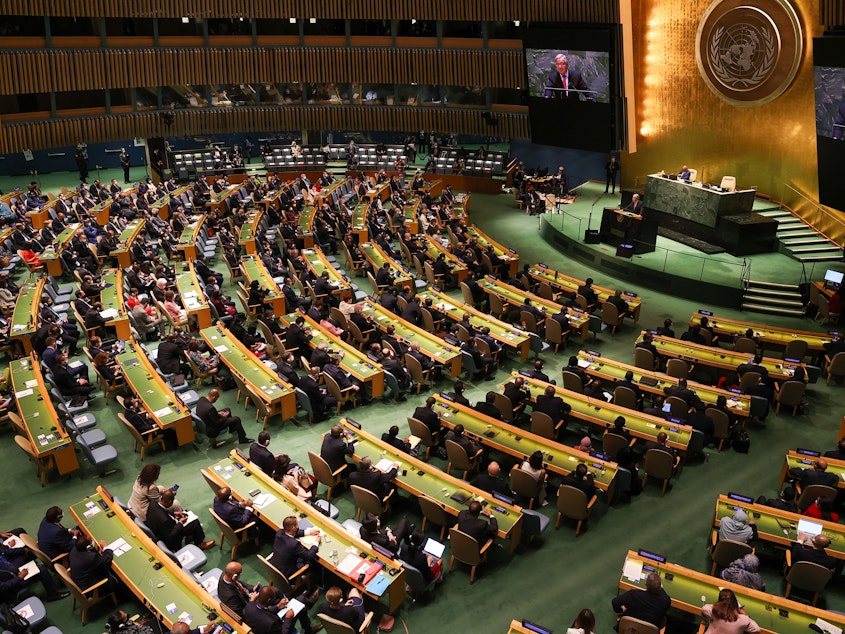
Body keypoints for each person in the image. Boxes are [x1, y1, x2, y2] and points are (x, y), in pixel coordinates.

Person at [145, 490, 215, 551]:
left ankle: (190, 536)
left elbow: (162, 512)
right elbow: (171, 536)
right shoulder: (165, 520)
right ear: (170, 501)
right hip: (168, 538)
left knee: (185, 513)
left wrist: (174, 514)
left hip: (159, 530)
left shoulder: (153, 504)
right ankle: (200, 544)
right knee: (195, 523)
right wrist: (181, 522)